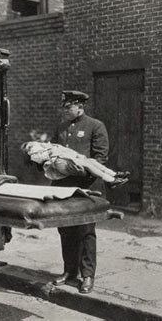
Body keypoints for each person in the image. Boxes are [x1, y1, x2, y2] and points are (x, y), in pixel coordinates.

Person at [51, 90, 109, 294]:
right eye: (64, 107)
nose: (66, 111)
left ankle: (87, 276)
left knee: (85, 231)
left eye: (69, 107)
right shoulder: (60, 128)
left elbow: (100, 159)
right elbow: (52, 154)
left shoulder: (95, 126)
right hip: (63, 189)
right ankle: (69, 271)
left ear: (80, 107)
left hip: (87, 189)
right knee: (65, 229)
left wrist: (82, 169)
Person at [21, 141, 129, 188]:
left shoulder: (44, 146)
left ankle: (113, 175)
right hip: (57, 164)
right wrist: (51, 150)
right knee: (87, 165)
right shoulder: (34, 154)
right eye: (28, 147)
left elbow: (65, 150)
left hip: (63, 159)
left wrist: (78, 155)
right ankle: (109, 181)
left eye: (31, 144)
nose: (31, 145)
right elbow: (48, 156)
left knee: (91, 161)